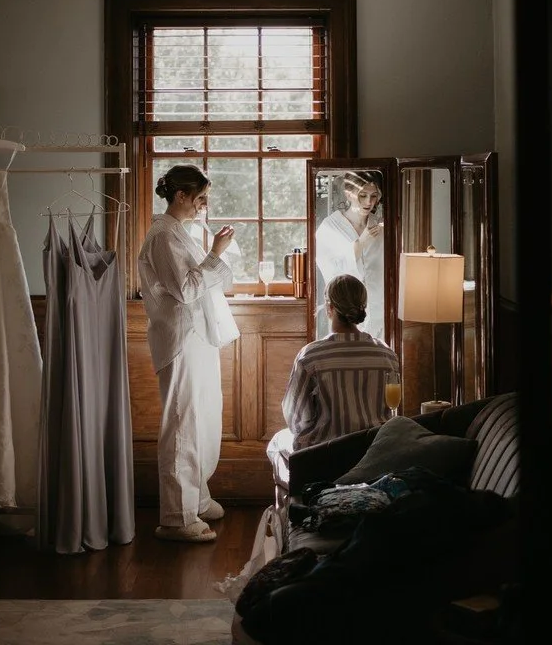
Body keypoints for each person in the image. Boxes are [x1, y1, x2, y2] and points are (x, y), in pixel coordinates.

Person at [137, 164, 240, 543]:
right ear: (180, 196)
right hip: (179, 340)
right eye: (199, 199)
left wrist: (213, 254)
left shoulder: (179, 233)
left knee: (203, 421)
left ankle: (196, 499)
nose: (203, 206)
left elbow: (204, 280)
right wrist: (215, 252)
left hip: (197, 338)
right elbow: (186, 289)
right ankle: (176, 518)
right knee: (181, 424)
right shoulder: (163, 237)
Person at [265, 273, 400, 491]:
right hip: (375, 457)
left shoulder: (311, 356)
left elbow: (296, 418)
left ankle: (290, 508)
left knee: (277, 442)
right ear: (362, 306)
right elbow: (392, 412)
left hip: (325, 460)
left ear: (329, 308)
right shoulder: (387, 355)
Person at [314, 170, 385, 341]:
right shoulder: (330, 227)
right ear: (349, 194)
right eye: (363, 195)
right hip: (344, 313)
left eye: (374, 196)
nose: (369, 202)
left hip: (380, 310)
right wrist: (362, 242)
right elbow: (332, 272)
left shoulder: (381, 226)